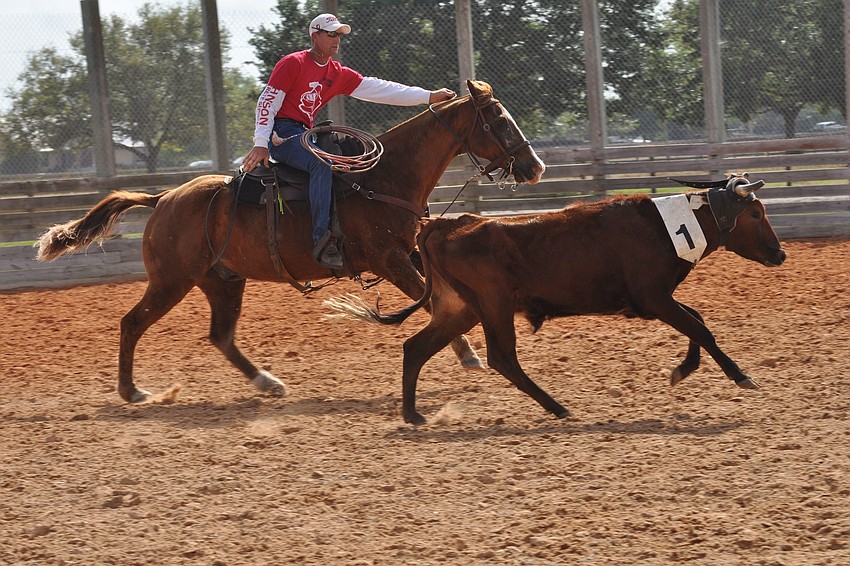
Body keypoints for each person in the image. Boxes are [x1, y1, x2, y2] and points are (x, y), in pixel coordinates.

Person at [242, 13, 456, 270]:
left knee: (352, 160)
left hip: (305, 133)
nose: (337, 40)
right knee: (321, 164)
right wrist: (261, 142)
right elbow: (267, 102)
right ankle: (321, 239)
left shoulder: (336, 73)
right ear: (315, 36)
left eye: (339, 35)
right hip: (282, 134)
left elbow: (380, 88)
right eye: (331, 34)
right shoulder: (293, 63)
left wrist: (429, 96)